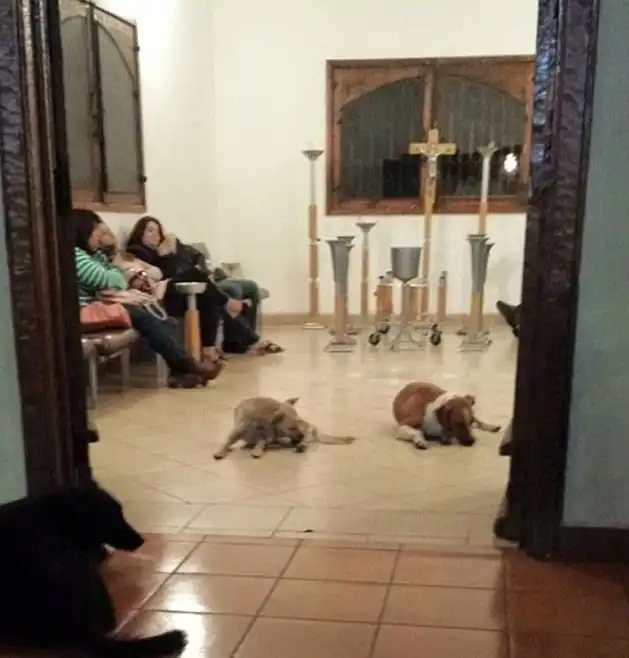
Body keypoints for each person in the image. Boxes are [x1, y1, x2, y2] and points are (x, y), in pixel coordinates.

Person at [73, 209, 221, 388]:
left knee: (165, 312)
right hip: (88, 311)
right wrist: (119, 275)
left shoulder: (95, 255)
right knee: (142, 314)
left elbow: (119, 278)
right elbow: (108, 279)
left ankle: (182, 370)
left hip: (105, 303)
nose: (99, 236)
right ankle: (186, 366)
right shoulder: (76, 255)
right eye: (97, 230)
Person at [124, 216, 283, 355]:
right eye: (150, 231)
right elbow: (164, 274)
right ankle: (232, 310)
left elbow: (185, 265)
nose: (156, 235)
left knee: (209, 298)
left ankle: (215, 349)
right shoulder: (137, 252)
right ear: (140, 233)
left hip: (178, 290)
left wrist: (172, 251)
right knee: (199, 276)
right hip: (164, 297)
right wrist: (165, 256)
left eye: (158, 231)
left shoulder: (160, 250)